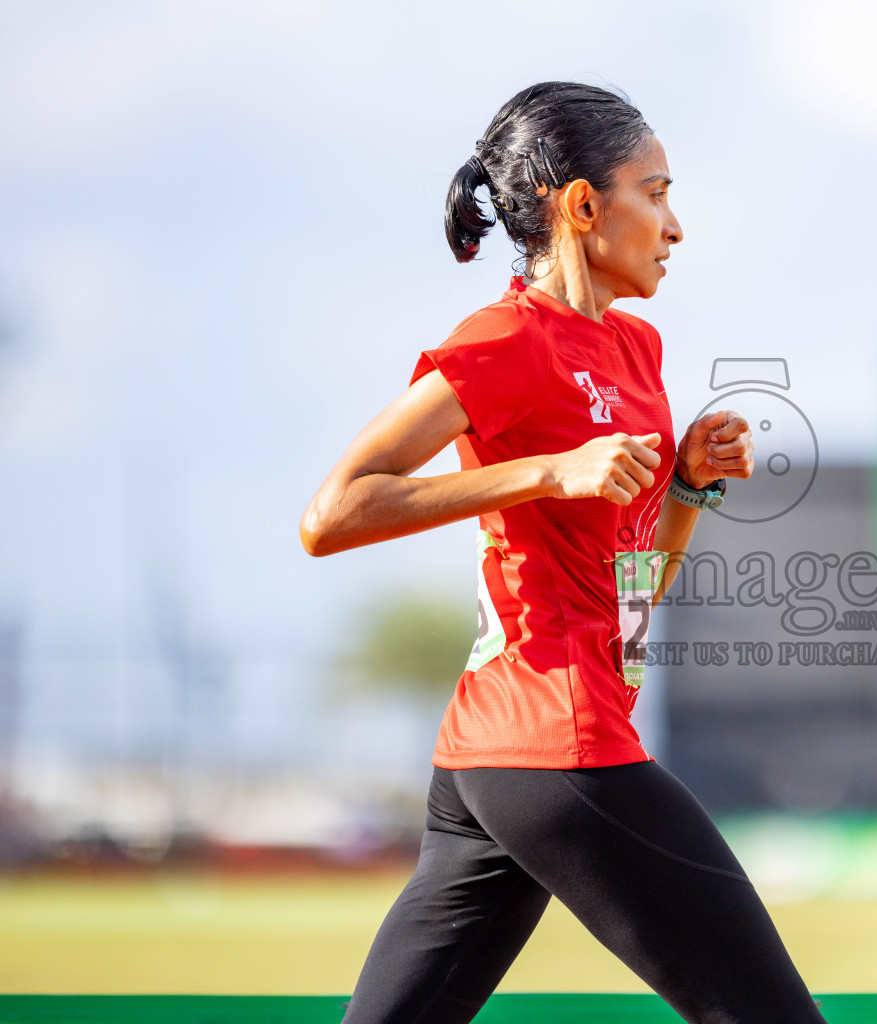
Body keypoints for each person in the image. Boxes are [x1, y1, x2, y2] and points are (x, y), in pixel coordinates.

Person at [300, 82, 827, 1024]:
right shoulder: (500, 342)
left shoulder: (637, 350)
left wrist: (688, 491)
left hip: (508, 754)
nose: (675, 226)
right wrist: (546, 472)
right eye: (656, 192)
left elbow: (629, 598)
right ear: (583, 205)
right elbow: (334, 514)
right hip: (552, 742)